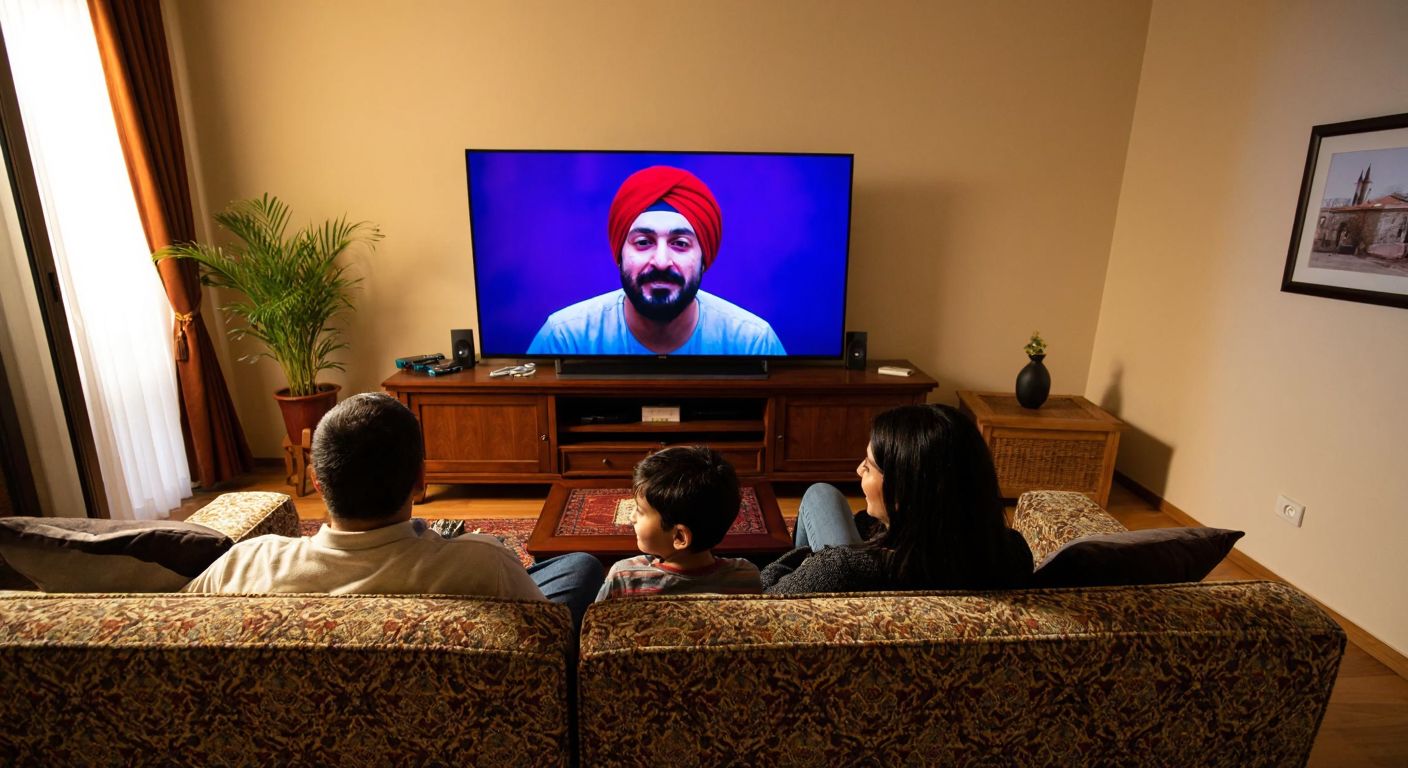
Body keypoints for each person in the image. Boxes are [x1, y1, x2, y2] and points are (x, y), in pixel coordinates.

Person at [184, 393, 604, 628]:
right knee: (580, 566)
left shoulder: (244, 564)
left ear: (317, 481)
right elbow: (551, 636)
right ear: (421, 480)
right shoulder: (482, 562)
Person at [761, 404, 1033, 594]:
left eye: (869, 465)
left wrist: (808, 561)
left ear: (903, 492)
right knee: (823, 493)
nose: (858, 470)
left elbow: (760, 597)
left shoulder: (841, 570)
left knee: (818, 494)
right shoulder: (1012, 553)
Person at [527, 166, 786, 356]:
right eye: (643, 242)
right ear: (619, 255)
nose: (661, 261)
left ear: (704, 258)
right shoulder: (564, 340)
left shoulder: (753, 344)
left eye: (680, 244)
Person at [595, 446, 762, 600]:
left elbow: (593, 622)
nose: (631, 517)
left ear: (680, 537)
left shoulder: (624, 578)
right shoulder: (747, 576)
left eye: (640, 511)